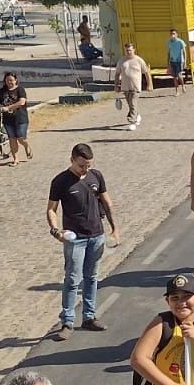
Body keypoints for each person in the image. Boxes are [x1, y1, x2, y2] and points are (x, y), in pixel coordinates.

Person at [47, 143, 119, 341]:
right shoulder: (60, 181)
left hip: (96, 235)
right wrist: (55, 230)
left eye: (88, 165)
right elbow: (51, 209)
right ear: (72, 160)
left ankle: (89, 316)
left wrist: (115, 228)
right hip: (75, 238)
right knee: (72, 279)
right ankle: (67, 321)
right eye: (81, 166)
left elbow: (107, 202)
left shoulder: (96, 176)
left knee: (92, 277)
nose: (85, 170)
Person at [113, 42, 151, 130]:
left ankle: (132, 122)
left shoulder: (139, 60)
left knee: (133, 103)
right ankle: (137, 115)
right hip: (125, 87)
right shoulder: (121, 60)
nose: (128, 52)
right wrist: (116, 85)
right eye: (127, 50)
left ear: (134, 50)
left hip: (136, 86)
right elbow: (117, 74)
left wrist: (149, 84)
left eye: (130, 50)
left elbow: (146, 72)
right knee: (130, 104)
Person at [166, 29, 188, 96]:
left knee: (179, 75)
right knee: (174, 77)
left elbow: (184, 52)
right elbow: (169, 53)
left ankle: (183, 86)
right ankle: (177, 91)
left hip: (179, 61)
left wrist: (185, 62)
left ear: (176, 34)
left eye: (174, 33)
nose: (172, 35)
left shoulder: (180, 42)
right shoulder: (169, 42)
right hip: (172, 61)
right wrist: (168, 63)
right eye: (171, 34)